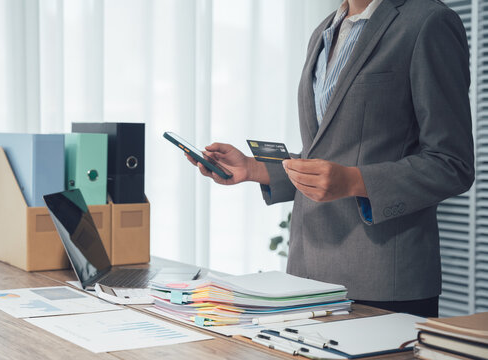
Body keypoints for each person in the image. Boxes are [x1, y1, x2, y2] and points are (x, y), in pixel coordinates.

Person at [186, 0, 474, 318]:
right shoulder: (322, 32)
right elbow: (326, 154)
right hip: (305, 278)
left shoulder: (429, 22)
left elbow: (452, 163)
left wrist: (354, 181)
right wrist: (254, 169)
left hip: (383, 283)